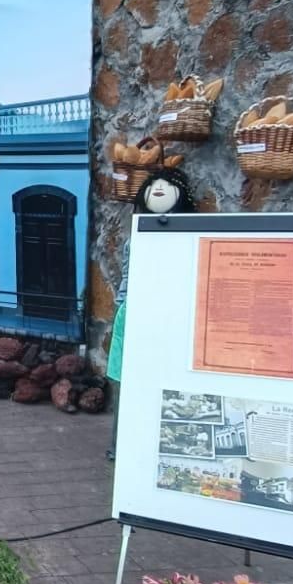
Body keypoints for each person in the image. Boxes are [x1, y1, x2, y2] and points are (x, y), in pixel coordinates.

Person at [108, 168, 196, 461]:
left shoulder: (190, 235)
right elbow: (128, 275)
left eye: (167, 185)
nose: (159, 189)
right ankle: (122, 445)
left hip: (172, 314)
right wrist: (123, 305)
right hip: (136, 311)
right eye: (154, 185)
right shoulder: (137, 237)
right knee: (130, 384)